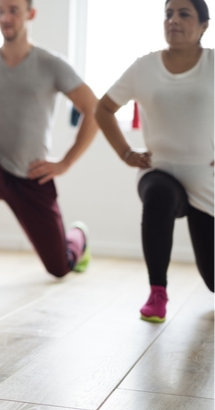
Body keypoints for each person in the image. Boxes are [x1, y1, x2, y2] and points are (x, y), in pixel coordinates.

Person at [0, 0, 99, 288]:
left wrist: (65, 163)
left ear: (31, 14)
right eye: (1, 11)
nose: (5, 17)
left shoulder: (51, 63)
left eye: (13, 10)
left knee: (59, 267)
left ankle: (78, 237)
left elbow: (94, 110)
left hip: (32, 173)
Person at [95, 0, 213, 323]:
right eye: (168, 14)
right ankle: (157, 292)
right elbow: (102, 109)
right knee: (158, 195)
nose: (173, 20)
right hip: (159, 171)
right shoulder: (144, 67)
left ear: (204, 25)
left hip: (206, 180)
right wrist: (126, 153)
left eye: (184, 14)